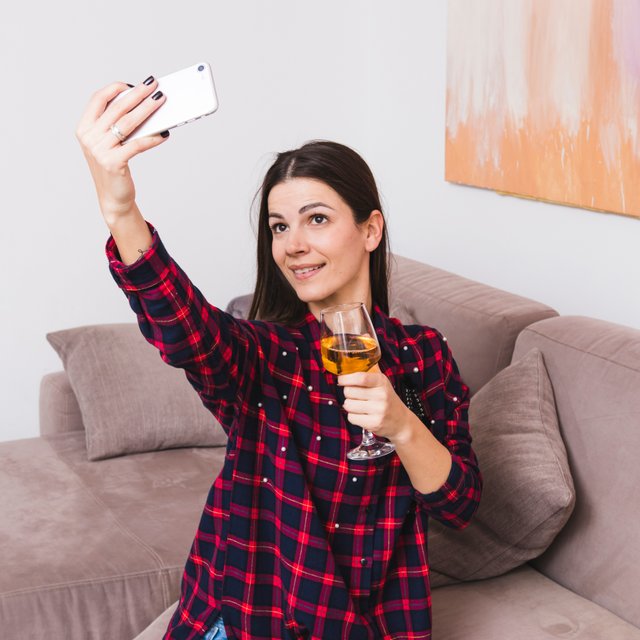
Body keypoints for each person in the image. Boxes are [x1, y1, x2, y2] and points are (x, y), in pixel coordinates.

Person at [76, 76, 482, 640]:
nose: (292, 245)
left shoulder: (423, 354)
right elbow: (187, 331)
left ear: (370, 229)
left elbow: (459, 504)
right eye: (278, 226)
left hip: (373, 623)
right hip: (250, 617)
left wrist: (401, 425)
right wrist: (121, 210)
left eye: (317, 219)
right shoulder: (265, 355)